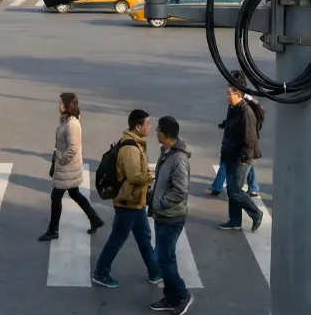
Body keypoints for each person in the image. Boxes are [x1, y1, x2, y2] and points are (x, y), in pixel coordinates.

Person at [91, 109, 161, 289]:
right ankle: (101, 272)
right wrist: (150, 176)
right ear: (137, 127)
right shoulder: (130, 148)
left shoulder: (134, 142)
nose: (149, 127)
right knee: (117, 238)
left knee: (144, 238)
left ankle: (155, 272)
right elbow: (134, 177)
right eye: (147, 124)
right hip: (127, 201)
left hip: (135, 201)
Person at [39, 92, 104, 241]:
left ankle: (53, 230)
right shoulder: (66, 120)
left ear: (68, 106)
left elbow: (73, 148)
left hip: (67, 167)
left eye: (61, 104)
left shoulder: (72, 124)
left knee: (56, 196)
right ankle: (95, 219)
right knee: (75, 194)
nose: (59, 106)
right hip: (67, 167)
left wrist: (60, 160)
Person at [149, 116, 195, 314]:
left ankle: (183, 295)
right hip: (162, 215)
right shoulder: (166, 152)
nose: (155, 131)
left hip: (172, 216)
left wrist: (159, 202)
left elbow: (180, 190)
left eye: (158, 129)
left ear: (165, 135)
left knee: (162, 259)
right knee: (167, 257)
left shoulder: (178, 158)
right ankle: (171, 297)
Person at [217, 72, 264, 231]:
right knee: (231, 189)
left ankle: (256, 213)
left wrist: (244, 159)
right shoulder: (234, 107)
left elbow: (250, 139)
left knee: (235, 190)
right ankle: (235, 221)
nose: (227, 96)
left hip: (241, 158)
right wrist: (225, 124)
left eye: (229, 93)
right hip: (231, 153)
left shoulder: (246, 112)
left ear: (239, 94)